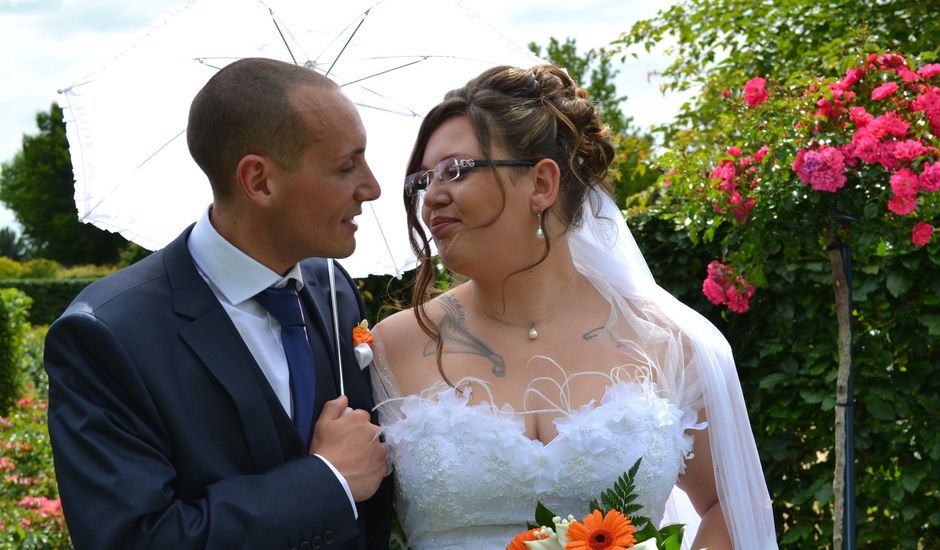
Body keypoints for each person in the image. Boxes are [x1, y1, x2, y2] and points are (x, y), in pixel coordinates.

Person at [369, 64, 778, 549]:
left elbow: (730, 505)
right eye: (423, 179)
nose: (431, 197)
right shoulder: (390, 348)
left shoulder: (665, 342)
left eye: (455, 171)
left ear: (541, 184)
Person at [44, 58, 393, 549]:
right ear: (259, 181)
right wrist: (325, 480)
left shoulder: (333, 289)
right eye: (345, 165)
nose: (372, 188)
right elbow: (132, 539)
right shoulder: (106, 334)